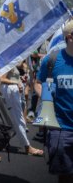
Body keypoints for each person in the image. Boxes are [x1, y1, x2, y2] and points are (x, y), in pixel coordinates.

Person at [36, 20, 73, 183]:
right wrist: (47, 99)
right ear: (70, 37)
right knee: (64, 176)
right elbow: (38, 83)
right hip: (61, 129)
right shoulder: (51, 60)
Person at [0, 67, 43, 156]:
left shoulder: (11, 61)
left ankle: (1, 142)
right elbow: (1, 78)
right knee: (18, 119)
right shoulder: (7, 61)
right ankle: (27, 146)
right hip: (10, 92)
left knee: (12, 119)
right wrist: (16, 82)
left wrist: (19, 80)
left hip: (12, 92)